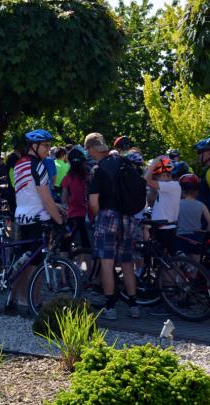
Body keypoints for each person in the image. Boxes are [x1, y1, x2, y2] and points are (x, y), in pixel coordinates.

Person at [85, 132, 139, 320]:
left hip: (107, 216)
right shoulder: (125, 162)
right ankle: (134, 305)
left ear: (91, 148)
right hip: (129, 217)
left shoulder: (98, 169)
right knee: (127, 262)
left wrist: (96, 216)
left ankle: (110, 306)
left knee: (107, 262)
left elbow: (93, 202)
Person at [12, 129, 64, 309]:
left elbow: (30, 193)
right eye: (45, 146)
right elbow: (46, 199)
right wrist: (59, 221)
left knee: (22, 262)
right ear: (34, 146)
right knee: (36, 264)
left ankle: (15, 298)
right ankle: (32, 300)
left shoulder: (19, 164)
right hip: (38, 218)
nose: (49, 149)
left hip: (22, 216)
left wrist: (56, 207)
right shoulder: (39, 166)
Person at [144, 156, 181, 254]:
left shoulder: (172, 185)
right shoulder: (166, 188)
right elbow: (151, 201)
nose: (155, 180)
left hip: (165, 229)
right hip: (163, 227)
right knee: (163, 259)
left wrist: (155, 162)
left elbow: (146, 179)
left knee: (163, 259)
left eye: (157, 178)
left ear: (164, 174)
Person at [176, 174, 210, 259]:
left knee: (180, 263)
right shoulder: (201, 205)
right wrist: (205, 232)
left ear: (182, 190)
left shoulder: (178, 204)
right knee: (195, 263)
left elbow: (174, 221)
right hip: (196, 238)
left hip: (181, 239)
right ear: (197, 191)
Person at [61, 146, 90, 251]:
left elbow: (64, 199)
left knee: (65, 245)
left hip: (72, 215)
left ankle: (63, 262)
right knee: (87, 245)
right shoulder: (87, 177)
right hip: (86, 215)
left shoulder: (67, 178)